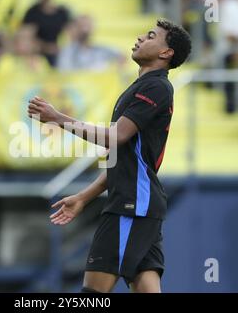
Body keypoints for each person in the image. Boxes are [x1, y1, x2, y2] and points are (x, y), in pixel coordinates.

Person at [27, 19, 191, 293]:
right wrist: (84, 196)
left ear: (166, 53)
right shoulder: (141, 87)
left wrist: (57, 118)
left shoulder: (156, 88)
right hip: (139, 205)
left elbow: (116, 138)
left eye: (151, 36)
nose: (140, 37)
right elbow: (121, 159)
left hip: (131, 206)